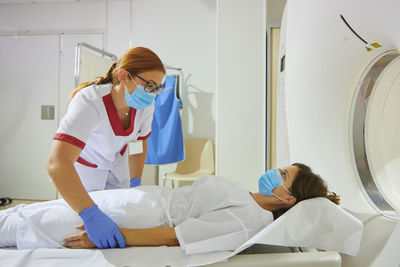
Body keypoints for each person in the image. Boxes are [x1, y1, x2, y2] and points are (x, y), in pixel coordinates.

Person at [0, 163, 339, 255]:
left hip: (135, 218)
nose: (274, 170)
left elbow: (175, 236)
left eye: (282, 174)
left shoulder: (249, 218)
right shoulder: (246, 195)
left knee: (32, 224)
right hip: (139, 200)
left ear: (288, 198)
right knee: (32, 211)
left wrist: (104, 237)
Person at [46, 47, 166, 249]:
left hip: (118, 162)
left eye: (158, 88)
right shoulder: (89, 101)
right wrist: (90, 214)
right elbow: (57, 163)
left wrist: (135, 182)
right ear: (124, 76)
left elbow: (139, 141)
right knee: (75, 226)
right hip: (85, 167)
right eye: (150, 86)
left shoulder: (146, 104)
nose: (153, 94)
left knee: (121, 218)